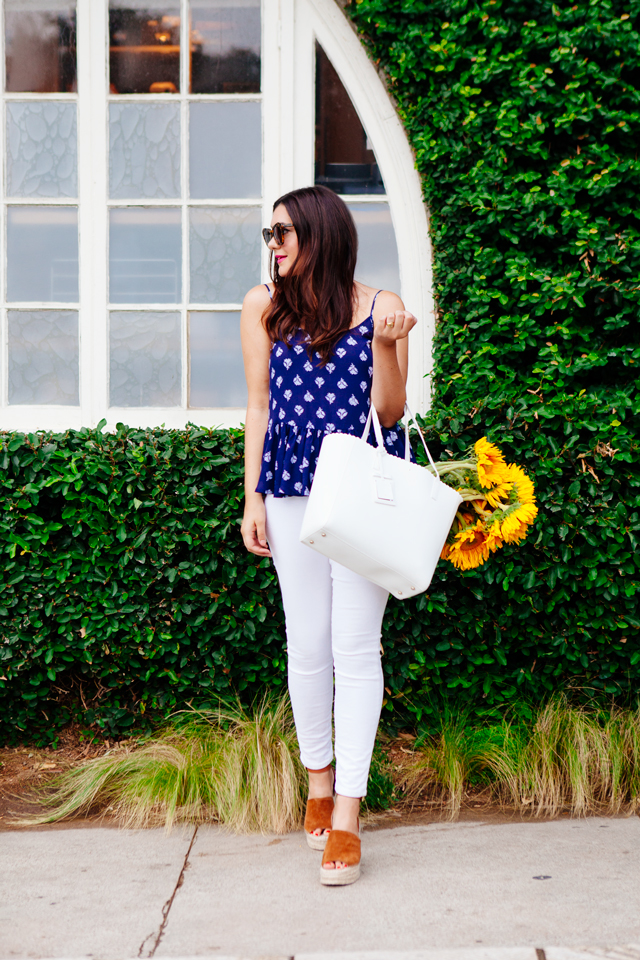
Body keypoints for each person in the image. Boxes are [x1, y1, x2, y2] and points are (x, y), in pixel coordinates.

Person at [240, 185, 417, 886]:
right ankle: (319, 777)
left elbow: (393, 410)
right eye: (270, 235)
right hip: (287, 488)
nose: (274, 245)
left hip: (362, 491)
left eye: (283, 233)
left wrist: (386, 344)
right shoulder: (264, 304)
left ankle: (347, 813)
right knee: (306, 638)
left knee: (354, 645)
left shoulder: (380, 306)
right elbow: (257, 404)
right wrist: (251, 494)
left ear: (321, 235)